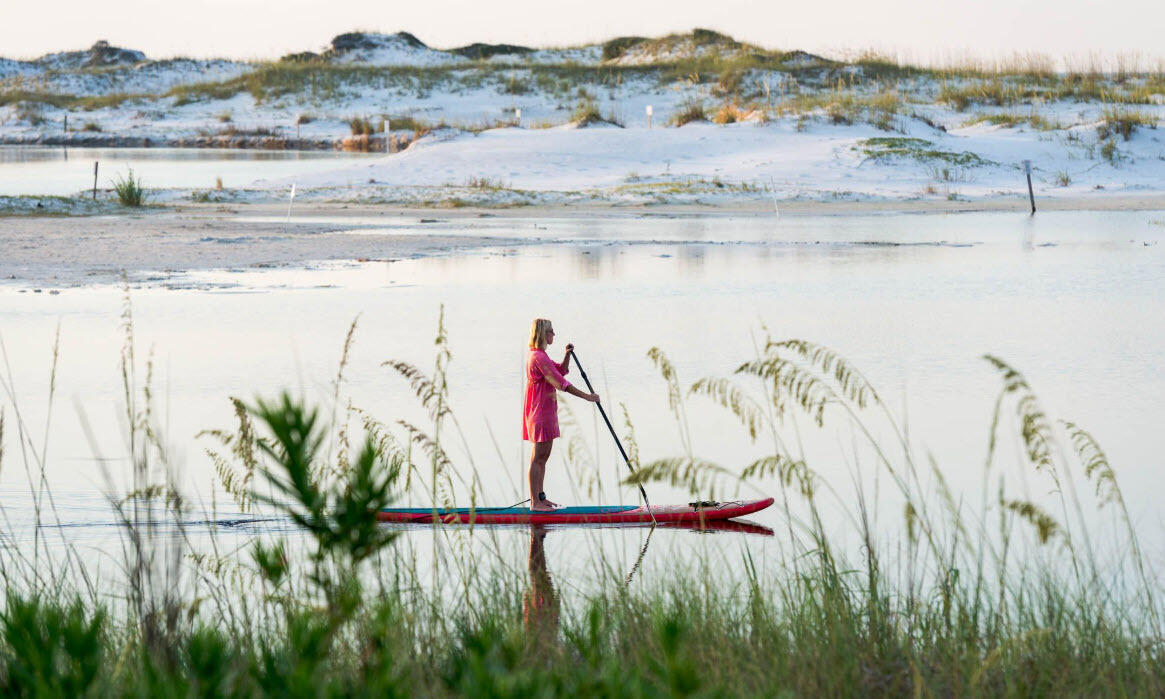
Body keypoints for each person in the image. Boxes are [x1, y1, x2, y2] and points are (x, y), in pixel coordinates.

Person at [523, 318, 599, 511]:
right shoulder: (538, 358)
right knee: (537, 457)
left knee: (544, 457)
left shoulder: (541, 355)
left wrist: (567, 355)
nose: (554, 335)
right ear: (542, 334)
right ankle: (535, 503)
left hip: (546, 411)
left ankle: (541, 497)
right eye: (551, 331)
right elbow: (560, 384)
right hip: (539, 412)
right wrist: (587, 397)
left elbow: (561, 371)